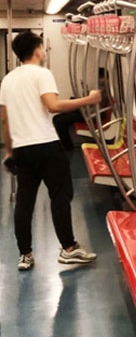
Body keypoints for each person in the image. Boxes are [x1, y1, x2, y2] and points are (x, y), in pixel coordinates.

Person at [0, 31, 101, 270]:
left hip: (22, 149)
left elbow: (5, 119)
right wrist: (88, 99)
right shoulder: (42, 74)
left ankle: (25, 254)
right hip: (45, 145)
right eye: (42, 47)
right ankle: (68, 249)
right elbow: (53, 106)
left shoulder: (8, 80)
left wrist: (9, 151)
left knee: (25, 201)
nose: (44, 51)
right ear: (37, 50)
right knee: (60, 195)